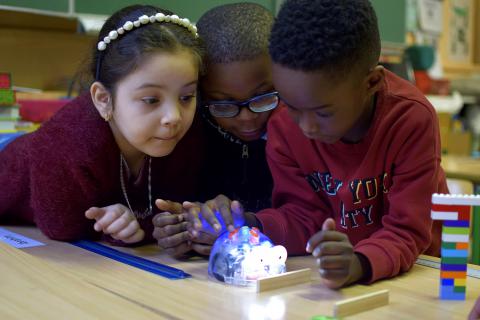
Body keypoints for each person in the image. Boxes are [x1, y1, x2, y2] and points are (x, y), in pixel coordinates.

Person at [186, 0, 448, 289]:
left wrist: (358, 264)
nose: (305, 127)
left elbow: (407, 231)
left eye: (323, 113)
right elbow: (302, 216)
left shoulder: (409, 118)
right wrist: (248, 225)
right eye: (291, 105)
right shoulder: (285, 124)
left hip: (420, 275)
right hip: (338, 275)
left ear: (371, 82)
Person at [0, 5, 205, 245]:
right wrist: (125, 228)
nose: (174, 116)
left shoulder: (188, 134)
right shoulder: (65, 142)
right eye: (151, 100)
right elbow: (61, 226)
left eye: (186, 97)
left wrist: (151, 226)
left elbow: (175, 208)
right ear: (103, 99)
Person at [152, 2, 277, 256]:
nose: (247, 119)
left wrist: (248, 226)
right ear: (200, 93)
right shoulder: (187, 132)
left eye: (263, 98)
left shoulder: (306, 128)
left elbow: (309, 213)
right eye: (223, 104)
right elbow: (177, 209)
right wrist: (180, 228)